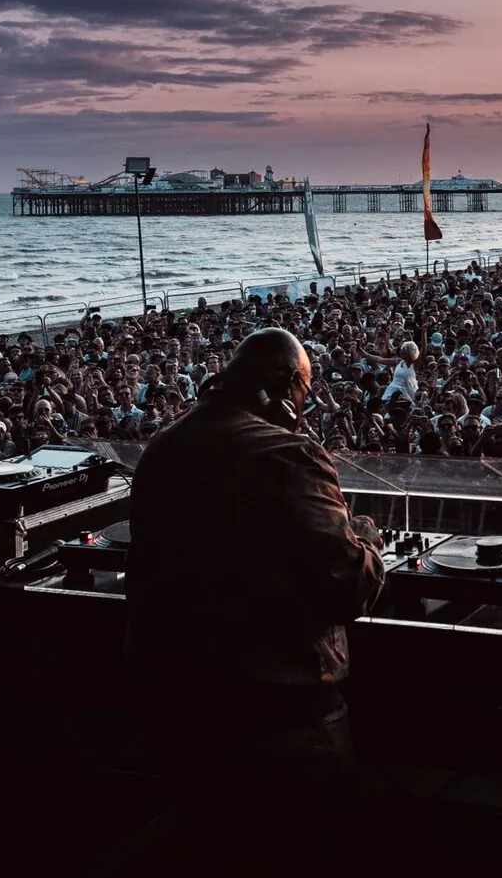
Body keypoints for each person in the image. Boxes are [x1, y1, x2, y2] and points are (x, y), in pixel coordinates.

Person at [126, 328, 387, 873]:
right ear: (288, 385)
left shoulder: (163, 447)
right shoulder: (287, 453)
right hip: (281, 726)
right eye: (305, 392)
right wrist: (366, 536)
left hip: (180, 713)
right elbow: (345, 582)